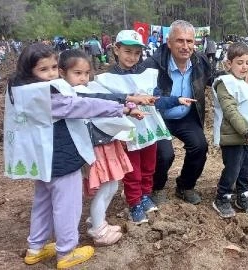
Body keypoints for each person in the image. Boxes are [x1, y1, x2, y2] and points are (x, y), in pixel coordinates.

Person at [4, 43, 133, 268]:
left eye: (54, 67)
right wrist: (119, 107)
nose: (52, 74)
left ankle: (35, 248)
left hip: (42, 161)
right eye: (43, 70)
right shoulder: (49, 95)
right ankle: (66, 252)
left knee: (42, 204)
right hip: (62, 160)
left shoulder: (20, 90)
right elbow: (82, 106)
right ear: (29, 71)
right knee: (67, 206)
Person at [96, 30, 196, 223]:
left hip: (149, 129)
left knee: (149, 166)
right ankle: (134, 202)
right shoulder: (107, 80)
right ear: (116, 50)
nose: (132, 57)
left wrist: (176, 100)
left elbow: (156, 100)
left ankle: (145, 195)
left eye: (136, 53)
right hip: (127, 132)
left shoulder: (147, 75)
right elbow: (105, 106)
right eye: (127, 51)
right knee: (132, 169)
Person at [57, 49, 139, 246]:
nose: (83, 79)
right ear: (62, 73)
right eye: (77, 73)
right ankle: (99, 229)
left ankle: (97, 219)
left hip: (106, 143)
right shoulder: (70, 95)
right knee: (107, 186)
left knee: (111, 185)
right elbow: (99, 99)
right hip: (96, 147)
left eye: (86, 73)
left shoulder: (83, 90)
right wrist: (126, 100)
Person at [143, 20, 213, 205]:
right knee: (165, 154)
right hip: (158, 118)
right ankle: (156, 188)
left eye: (189, 41)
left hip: (185, 116)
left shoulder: (200, 61)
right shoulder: (152, 65)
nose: (185, 46)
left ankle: (185, 186)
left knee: (200, 146)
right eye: (180, 41)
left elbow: (213, 79)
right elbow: (142, 94)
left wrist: (240, 78)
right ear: (169, 42)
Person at [211, 42, 248, 218]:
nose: (244, 66)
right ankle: (222, 198)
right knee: (232, 169)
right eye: (239, 62)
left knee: (247, 169)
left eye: (247, 62)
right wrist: (247, 131)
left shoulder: (247, 83)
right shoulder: (225, 83)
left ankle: (243, 196)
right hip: (233, 136)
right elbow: (230, 110)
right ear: (228, 64)